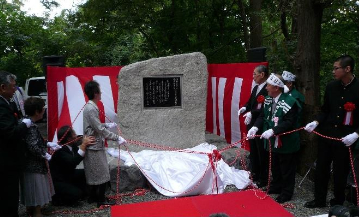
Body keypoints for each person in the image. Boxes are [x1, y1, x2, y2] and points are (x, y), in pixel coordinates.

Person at [304, 55, 359, 208]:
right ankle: (319, 199)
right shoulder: (331, 87)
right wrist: (316, 122)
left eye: (336, 68)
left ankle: (338, 202)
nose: (333, 71)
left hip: (345, 138)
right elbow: (325, 110)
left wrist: (356, 134)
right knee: (321, 168)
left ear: (347, 69)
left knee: (341, 173)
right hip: (327, 136)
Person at [247, 73, 301, 203]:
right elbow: (262, 116)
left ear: (276, 88)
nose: (266, 88)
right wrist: (255, 127)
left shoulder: (290, 102)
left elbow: (289, 122)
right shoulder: (268, 99)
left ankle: (287, 192)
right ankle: (277, 186)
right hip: (273, 140)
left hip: (286, 141)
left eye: (269, 86)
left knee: (286, 168)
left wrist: (274, 130)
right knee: (275, 164)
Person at [83, 80, 126, 207]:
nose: (101, 93)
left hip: (94, 144)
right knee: (102, 173)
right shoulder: (91, 108)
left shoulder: (91, 107)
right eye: (99, 90)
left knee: (94, 172)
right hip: (94, 146)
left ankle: (92, 197)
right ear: (96, 93)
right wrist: (116, 137)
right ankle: (100, 200)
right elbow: (99, 130)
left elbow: (95, 125)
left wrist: (107, 124)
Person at [0, 71, 31, 217]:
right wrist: (24, 125)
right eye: (12, 86)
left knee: (11, 194)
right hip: (6, 160)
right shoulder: (1, 106)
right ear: (2, 87)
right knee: (9, 195)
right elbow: (10, 133)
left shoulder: (8, 103)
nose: (15, 89)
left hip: (11, 159)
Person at [19, 97, 54, 217]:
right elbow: (33, 145)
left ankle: (30, 209)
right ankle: (37, 212)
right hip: (33, 165)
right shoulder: (30, 126)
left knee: (31, 189)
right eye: (43, 109)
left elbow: (37, 141)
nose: (44, 111)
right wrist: (45, 154)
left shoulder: (26, 122)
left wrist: (48, 143)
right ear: (37, 111)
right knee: (36, 189)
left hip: (27, 164)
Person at [238, 65, 269, 187]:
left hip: (260, 124)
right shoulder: (256, 87)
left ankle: (263, 177)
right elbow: (251, 102)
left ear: (262, 74)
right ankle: (254, 172)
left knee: (261, 152)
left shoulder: (268, 89)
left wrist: (252, 112)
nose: (253, 76)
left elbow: (264, 109)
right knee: (254, 150)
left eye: (255, 74)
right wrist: (245, 107)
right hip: (251, 123)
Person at [50, 125, 96, 206]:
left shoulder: (72, 145)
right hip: (59, 180)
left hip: (68, 174)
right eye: (74, 134)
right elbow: (74, 161)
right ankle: (58, 199)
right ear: (68, 139)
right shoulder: (60, 150)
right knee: (76, 194)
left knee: (86, 173)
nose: (76, 136)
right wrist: (83, 145)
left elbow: (79, 152)